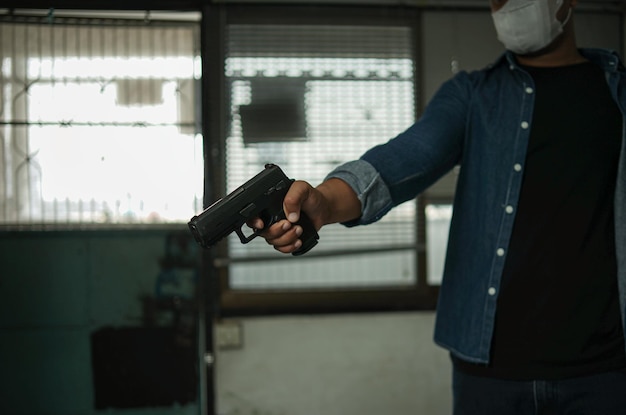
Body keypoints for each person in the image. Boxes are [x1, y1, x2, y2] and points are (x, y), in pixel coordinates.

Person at [250, 0, 626, 413]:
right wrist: (323, 203)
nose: (508, 5)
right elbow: (399, 163)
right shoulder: (473, 95)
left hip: (604, 371)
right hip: (489, 373)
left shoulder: (616, 93)